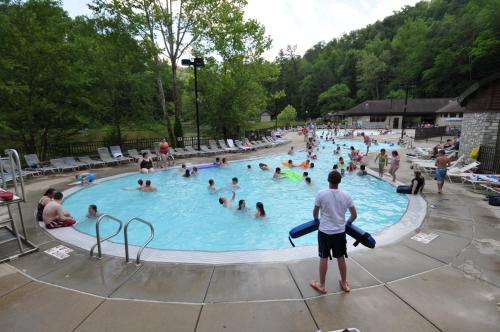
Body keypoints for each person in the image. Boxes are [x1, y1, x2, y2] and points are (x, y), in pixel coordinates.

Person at [310, 171, 357, 294]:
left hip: (324, 231)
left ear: (328, 180)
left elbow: (315, 213)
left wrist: (316, 221)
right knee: (341, 258)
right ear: (339, 181)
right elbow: (354, 215)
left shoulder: (321, 194)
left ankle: (322, 286)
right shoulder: (346, 195)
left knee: (323, 257)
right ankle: (344, 283)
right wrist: (347, 224)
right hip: (340, 232)